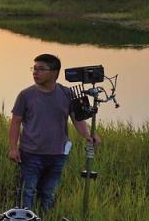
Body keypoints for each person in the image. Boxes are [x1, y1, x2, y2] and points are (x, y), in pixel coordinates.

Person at [8, 53, 102, 211]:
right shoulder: (26, 95)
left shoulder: (67, 94)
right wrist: (13, 148)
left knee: (48, 192)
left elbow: (77, 119)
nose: (35, 72)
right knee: (27, 191)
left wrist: (88, 135)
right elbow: (15, 122)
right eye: (34, 68)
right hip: (31, 153)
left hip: (57, 154)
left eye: (41, 69)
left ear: (54, 73)